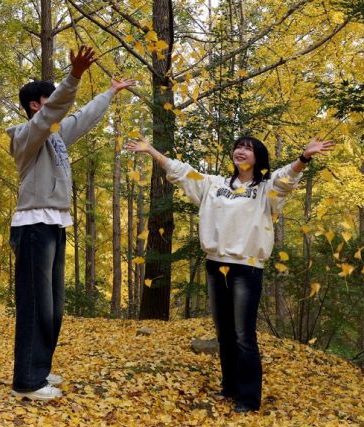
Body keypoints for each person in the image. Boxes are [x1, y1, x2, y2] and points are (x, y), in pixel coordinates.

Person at [126, 135, 335, 412]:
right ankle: (230, 387)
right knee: (224, 332)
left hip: (246, 267)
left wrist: (304, 158)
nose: (241, 151)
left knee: (243, 334)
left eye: (248, 148)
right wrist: (152, 150)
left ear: (257, 158)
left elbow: (287, 178)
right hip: (215, 264)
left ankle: (249, 398)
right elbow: (181, 171)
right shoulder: (215, 185)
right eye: (238, 146)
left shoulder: (265, 189)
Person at [6, 46, 134, 400]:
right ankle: (27, 382)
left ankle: (40, 369)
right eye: (51, 100)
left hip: (56, 224)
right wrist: (74, 76)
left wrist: (109, 92)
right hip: (33, 225)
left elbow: (84, 117)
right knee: (36, 304)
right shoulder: (26, 136)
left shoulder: (58, 138)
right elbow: (57, 111)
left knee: (54, 305)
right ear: (37, 105)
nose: (60, 107)